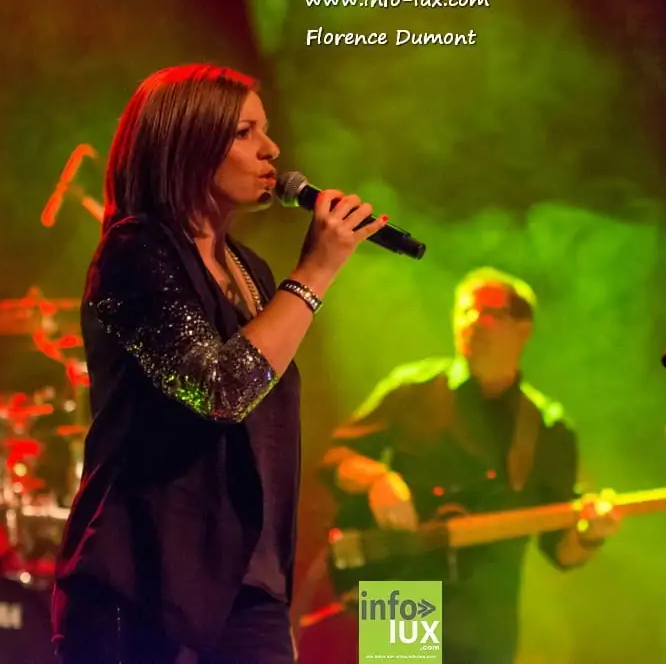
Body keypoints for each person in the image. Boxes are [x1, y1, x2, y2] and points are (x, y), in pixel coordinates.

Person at [51, 63, 387, 664]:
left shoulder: (252, 271)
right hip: (147, 583)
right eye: (244, 132)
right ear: (186, 146)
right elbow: (221, 391)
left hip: (249, 591)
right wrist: (317, 270)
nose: (272, 149)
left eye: (266, 130)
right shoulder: (135, 251)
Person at [318, 267, 621, 664]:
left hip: (487, 613)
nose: (474, 321)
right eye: (465, 311)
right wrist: (378, 479)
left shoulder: (549, 427)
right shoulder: (413, 387)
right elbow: (336, 458)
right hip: (402, 586)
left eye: (490, 312)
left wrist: (591, 535)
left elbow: (562, 552)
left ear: (523, 328)